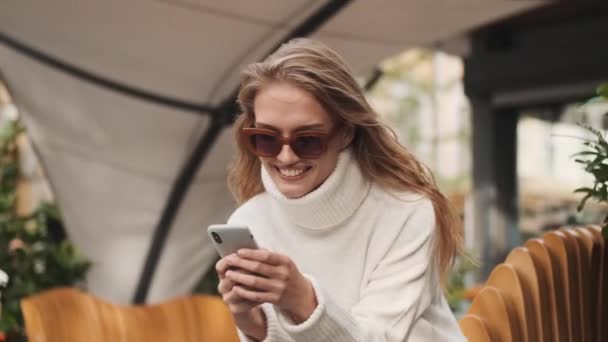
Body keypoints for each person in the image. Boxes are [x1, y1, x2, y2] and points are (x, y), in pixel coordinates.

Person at [216, 38, 466, 341]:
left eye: (307, 139)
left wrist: (303, 300)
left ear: (346, 133)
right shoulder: (250, 221)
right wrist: (252, 323)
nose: (285, 157)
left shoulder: (406, 211)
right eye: (266, 138)